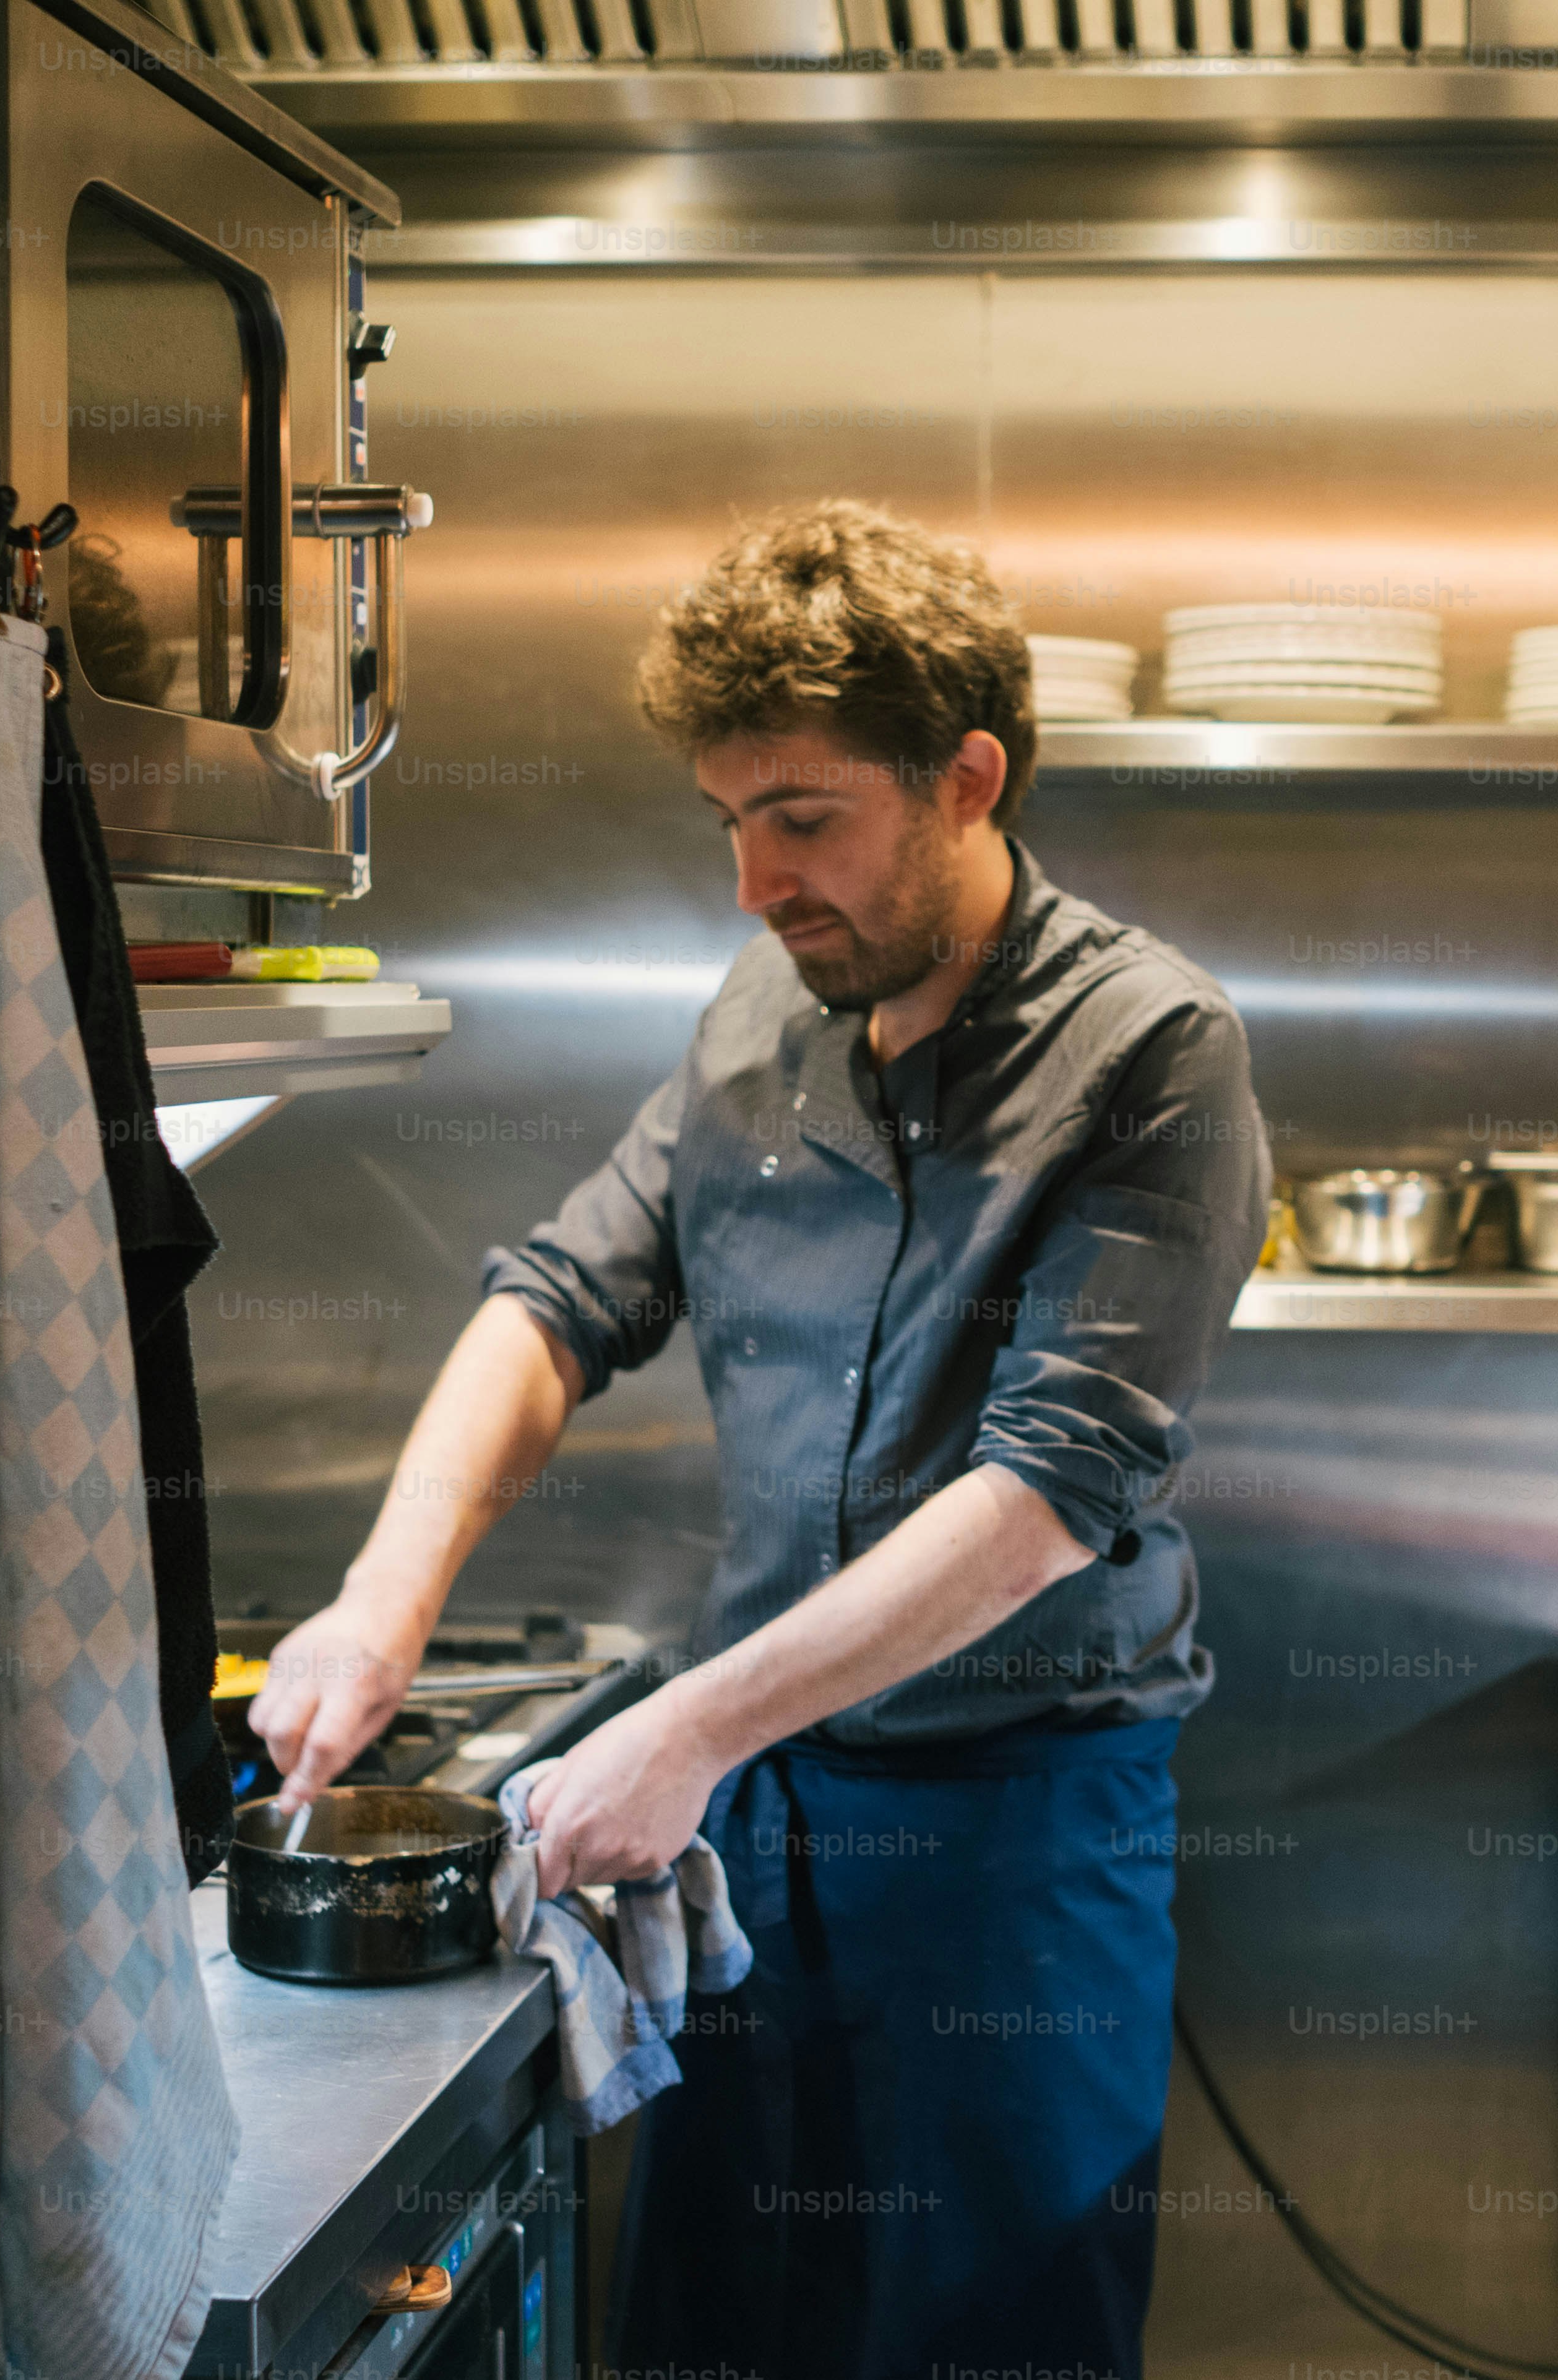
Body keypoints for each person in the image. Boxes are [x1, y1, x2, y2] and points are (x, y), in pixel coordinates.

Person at [249, 499, 1270, 2379]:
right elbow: (557, 1301)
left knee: (986, 2343)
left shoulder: (1148, 1050)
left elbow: (1052, 1494)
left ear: (966, 779)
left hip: (1010, 1845)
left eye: (801, 820)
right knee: (726, 2331)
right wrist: (378, 1609)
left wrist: (690, 1720)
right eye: (726, 823)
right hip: (747, 1832)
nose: (753, 885)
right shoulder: (760, 1015)